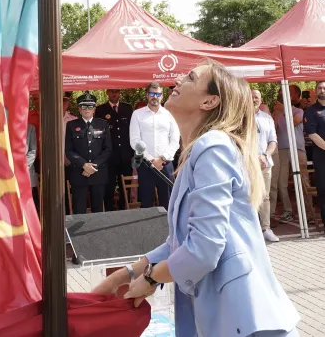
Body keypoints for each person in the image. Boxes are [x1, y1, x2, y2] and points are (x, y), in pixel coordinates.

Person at [93, 61, 299, 337]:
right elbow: (181, 242)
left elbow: (203, 248)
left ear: (209, 101)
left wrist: (150, 278)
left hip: (246, 321)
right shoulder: (203, 149)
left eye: (190, 78)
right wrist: (126, 274)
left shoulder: (212, 146)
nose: (178, 80)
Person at [129, 82, 180, 209]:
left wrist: (162, 159)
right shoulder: (137, 114)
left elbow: (175, 140)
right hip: (146, 165)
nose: (155, 97)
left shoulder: (169, 114)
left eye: (158, 94)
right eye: (152, 94)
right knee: (146, 203)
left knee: (168, 203)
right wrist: (151, 159)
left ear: (162, 96)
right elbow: (134, 140)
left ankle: (167, 223)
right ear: (147, 95)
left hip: (165, 164)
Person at [65, 91, 112, 214]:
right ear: (79, 109)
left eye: (90, 106)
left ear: (94, 109)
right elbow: (69, 150)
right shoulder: (71, 125)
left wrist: (93, 166)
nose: (87, 109)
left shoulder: (103, 124)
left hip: (98, 173)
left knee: (98, 210)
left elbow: (108, 149)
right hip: (79, 173)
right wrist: (84, 165)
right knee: (79, 210)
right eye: (83, 106)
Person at [271, 86, 306, 224]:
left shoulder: (298, 111)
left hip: (297, 148)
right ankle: (288, 211)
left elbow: (295, 122)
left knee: (303, 180)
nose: (281, 97)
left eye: (284, 94)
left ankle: (307, 211)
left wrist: (284, 110)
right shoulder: (277, 112)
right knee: (282, 182)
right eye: (280, 95)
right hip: (282, 149)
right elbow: (273, 129)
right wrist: (275, 114)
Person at [95, 89, 133, 211]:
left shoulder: (127, 108)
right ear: (107, 92)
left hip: (125, 155)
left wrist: (132, 153)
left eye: (116, 91)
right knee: (109, 187)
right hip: (109, 157)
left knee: (125, 187)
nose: (114, 94)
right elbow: (98, 134)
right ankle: (109, 211)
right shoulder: (100, 110)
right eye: (111, 91)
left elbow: (132, 131)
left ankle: (124, 209)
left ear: (120, 92)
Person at [252, 89, 279, 242]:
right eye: (251, 97)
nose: (254, 100)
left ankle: (265, 228)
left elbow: (273, 141)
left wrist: (265, 155)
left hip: (264, 163)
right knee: (248, 196)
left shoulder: (267, 118)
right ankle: (252, 229)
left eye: (256, 97)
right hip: (246, 164)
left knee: (264, 196)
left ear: (261, 100)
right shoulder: (239, 117)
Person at [304, 81, 325, 227]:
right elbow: (312, 134)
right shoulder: (311, 111)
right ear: (316, 91)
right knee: (323, 190)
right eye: (319, 88)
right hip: (321, 157)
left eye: (324, 88)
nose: (322, 90)